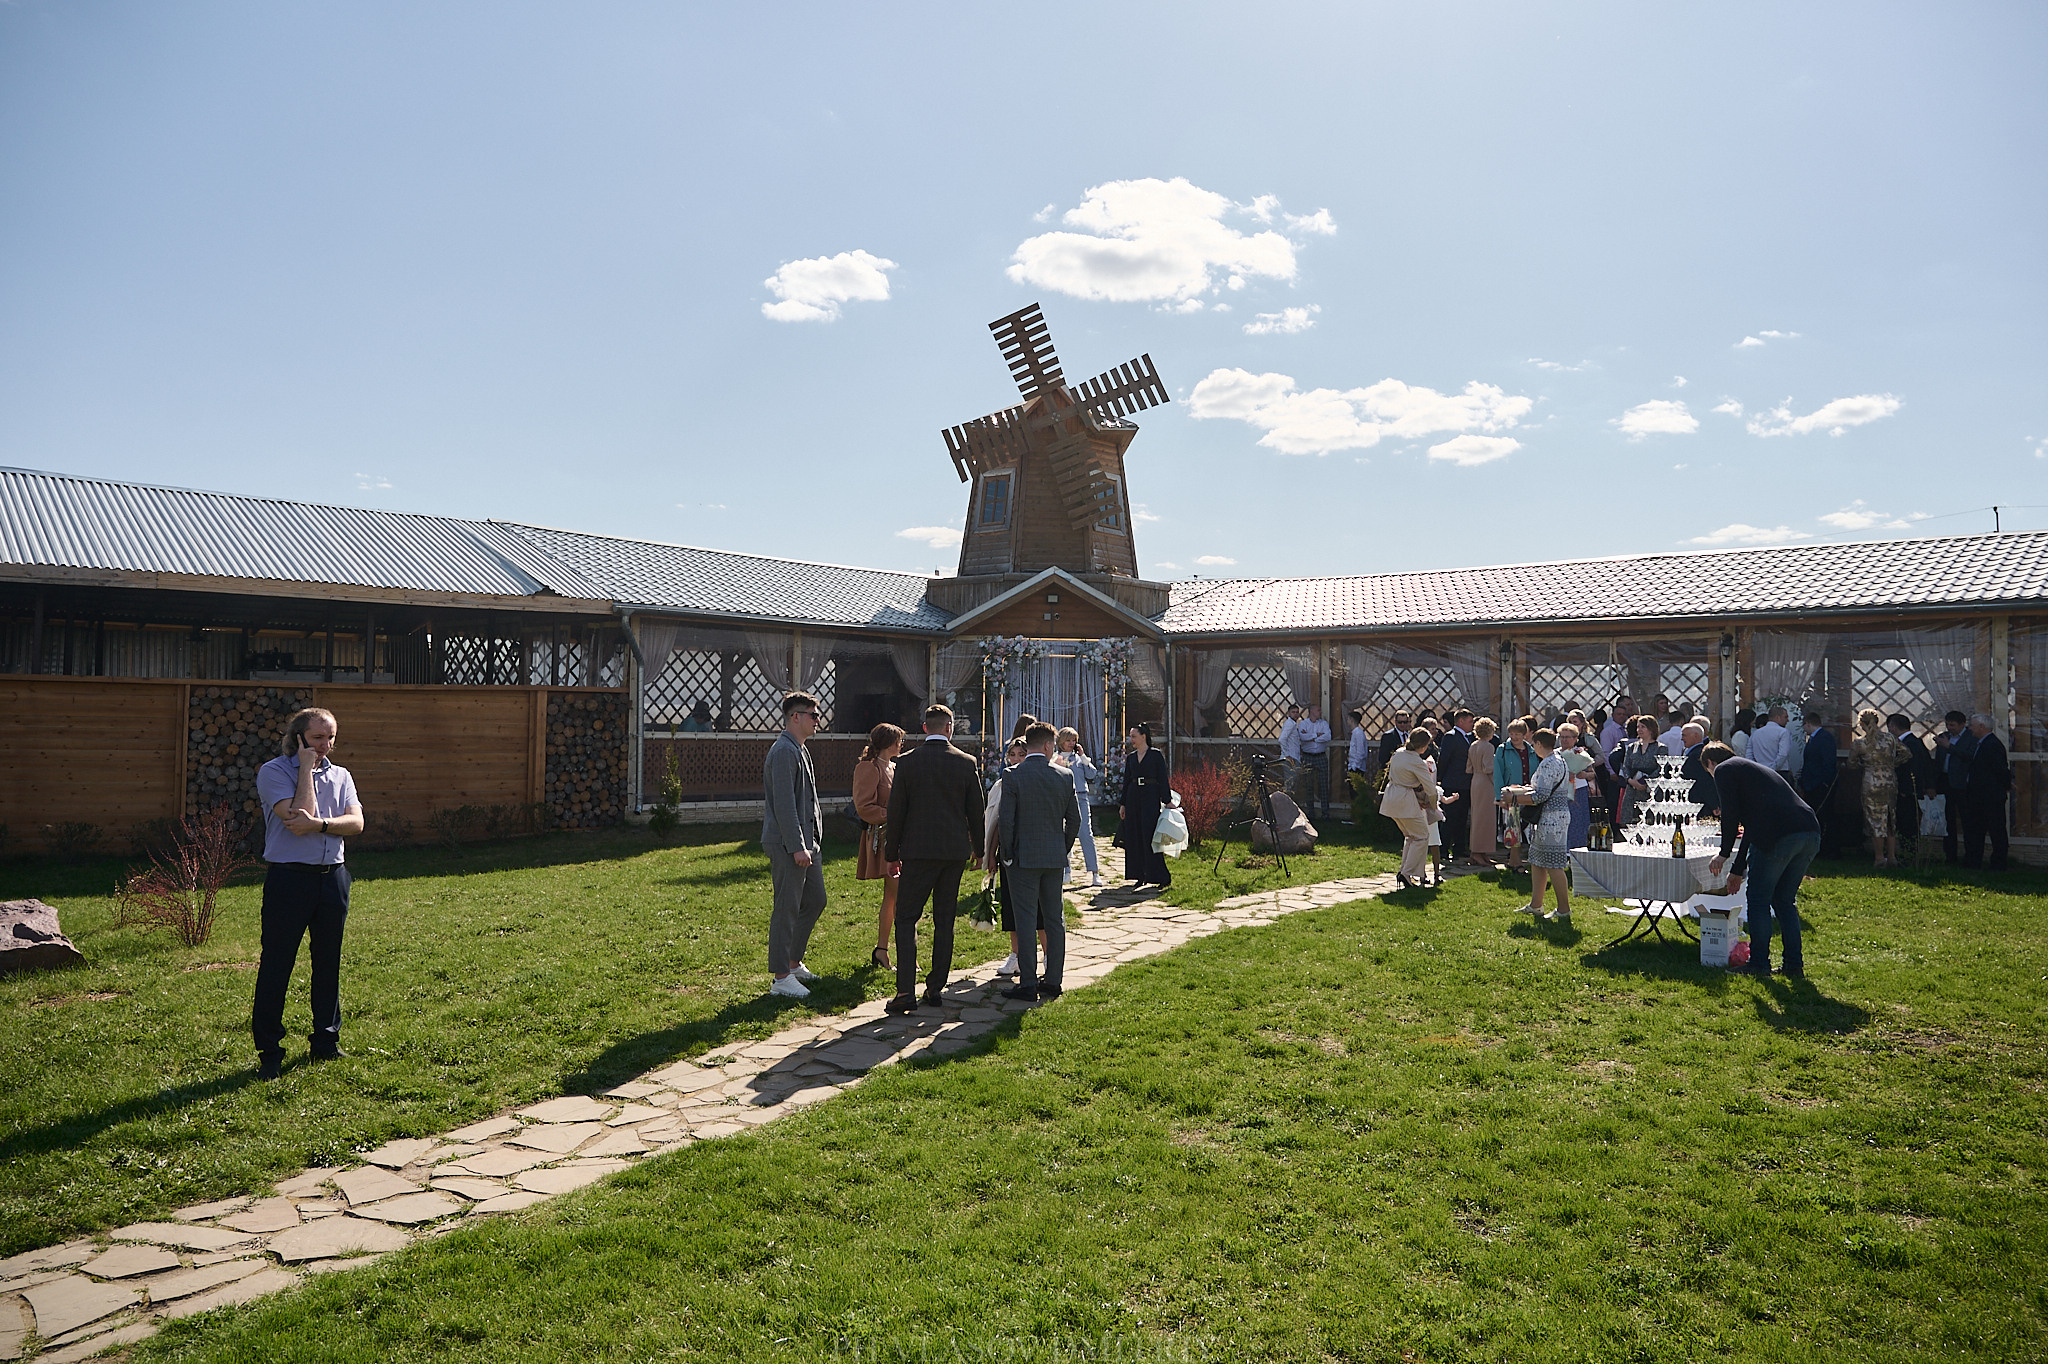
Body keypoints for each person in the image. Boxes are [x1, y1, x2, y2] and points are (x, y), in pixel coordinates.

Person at [251, 706, 365, 1080]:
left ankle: (326, 1041)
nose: (325, 745)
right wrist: (305, 768)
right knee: (277, 963)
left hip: (333, 878)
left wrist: (322, 825)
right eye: (317, 738)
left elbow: (356, 823)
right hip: (289, 879)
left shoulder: (342, 775)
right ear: (297, 738)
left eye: (331, 737)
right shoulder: (273, 772)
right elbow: (298, 816)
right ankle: (270, 1052)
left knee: (328, 960)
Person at [882, 704, 986, 1014]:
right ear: (949, 728)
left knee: (906, 918)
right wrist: (980, 850)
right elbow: (976, 812)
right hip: (953, 852)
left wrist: (891, 854)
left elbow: (896, 813)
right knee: (945, 919)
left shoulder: (907, 762)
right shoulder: (966, 762)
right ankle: (936, 986)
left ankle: (905, 990)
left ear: (925, 728)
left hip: (917, 851)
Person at [1704, 741, 1821, 979]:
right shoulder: (1752, 771)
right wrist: (1737, 868)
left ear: (1710, 764)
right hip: (1809, 831)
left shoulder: (1724, 770)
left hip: (1778, 835)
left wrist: (1724, 854)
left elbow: (1730, 815)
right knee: (1784, 901)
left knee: (1758, 900)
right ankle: (1793, 965)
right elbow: (1750, 828)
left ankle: (1758, 963)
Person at [997, 722, 1081, 1001]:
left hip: (1022, 857)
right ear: (1047, 745)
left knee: (1025, 919)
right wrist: (1062, 848)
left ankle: (1028, 983)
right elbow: (1075, 820)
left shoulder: (1013, 775)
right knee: (1055, 919)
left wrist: (1007, 853)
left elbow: (1006, 820)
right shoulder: (1065, 775)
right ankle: (1054, 980)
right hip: (1053, 857)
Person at [762, 692, 828, 1000]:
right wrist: (797, 846)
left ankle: (793, 962)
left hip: (807, 844)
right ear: (795, 717)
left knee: (815, 900)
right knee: (786, 908)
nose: (818, 720)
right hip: (789, 844)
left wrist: (811, 842)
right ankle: (780, 977)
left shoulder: (800, 749)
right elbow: (785, 805)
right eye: (813, 715)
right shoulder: (784, 751)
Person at [1500, 728, 1574, 923]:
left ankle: (1564, 909)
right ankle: (1536, 905)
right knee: (1538, 861)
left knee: (1554, 864)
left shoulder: (1550, 763)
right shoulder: (1557, 760)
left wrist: (1513, 798)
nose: (1533, 748)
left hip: (1552, 819)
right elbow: (1539, 789)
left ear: (1540, 744)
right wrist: (1520, 790)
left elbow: (1540, 795)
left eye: (1534, 744)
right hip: (1548, 818)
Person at [852, 722, 905, 968]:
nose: (901, 744)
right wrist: (893, 816)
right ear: (889, 742)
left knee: (895, 896)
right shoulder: (869, 767)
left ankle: (886, 951)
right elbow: (864, 807)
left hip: (900, 838)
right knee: (900, 897)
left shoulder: (894, 767)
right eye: (898, 740)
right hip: (882, 839)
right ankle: (899, 952)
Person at [985, 738, 1039, 977]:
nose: (1016, 759)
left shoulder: (1036, 780)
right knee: (1011, 907)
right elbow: (995, 822)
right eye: (1012, 755)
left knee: (1040, 908)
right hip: (1009, 853)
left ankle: (1047, 955)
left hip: (1034, 852)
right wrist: (990, 854)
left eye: (1021, 754)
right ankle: (1015, 955)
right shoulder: (1002, 783)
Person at [1379, 728, 1439, 888]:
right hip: (1405, 800)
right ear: (1424, 746)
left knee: (1411, 836)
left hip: (1392, 796)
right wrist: (1433, 805)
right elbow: (1430, 788)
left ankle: (1404, 871)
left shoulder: (1398, 753)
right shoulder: (1416, 761)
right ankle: (1406, 873)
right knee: (1421, 836)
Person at [1117, 722, 1173, 889]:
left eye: (1134, 736)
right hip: (1133, 797)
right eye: (1130, 736)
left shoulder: (1156, 755)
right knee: (1134, 835)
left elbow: (1162, 779)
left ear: (1143, 736)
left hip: (1150, 796)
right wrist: (1123, 804)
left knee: (1149, 835)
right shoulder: (1131, 757)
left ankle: (1160, 876)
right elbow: (1126, 781)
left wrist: (1167, 800)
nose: (1131, 739)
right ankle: (1139, 874)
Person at [1848, 708, 1904, 868]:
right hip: (1890, 781)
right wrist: (1891, 764)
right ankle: (1892, 857)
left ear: (1861, 724)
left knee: (1875, 820)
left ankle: (1879, 857)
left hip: (1871, 782)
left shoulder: (1860, 743)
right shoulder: (1890, 738)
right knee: (1890, 818)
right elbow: (1906, 753)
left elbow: (1851, 763)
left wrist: (1865, 765)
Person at [1961, 713, 2011, 871]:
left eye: (1972, 725)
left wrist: (2006, 784)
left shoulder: (1992, 745)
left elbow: (2000, 769)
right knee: (1976, 830)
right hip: (1979, 796)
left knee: (1996, 831)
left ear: (1981, 727)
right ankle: (1973, 861)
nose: (1970, 728)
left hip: (1990, 797)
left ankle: (1998, 863)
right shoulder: (1982, 744)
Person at [1053, 727, 1102, 887]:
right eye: (1068, 740)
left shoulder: (1079, 758)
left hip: (1080, 797)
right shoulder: (1055, 758)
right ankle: (1066, 870)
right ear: (1061, 741)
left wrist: (1083, 756)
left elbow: (1092, 774)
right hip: (1061, 798)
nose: (1071, 743)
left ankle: (1094, 872)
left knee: (1085, 833)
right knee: (1062, 833)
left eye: (1074, 740)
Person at [1493, 718, 1539, 876]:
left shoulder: (1531, 750)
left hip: (1529, 794)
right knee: (1513, 829)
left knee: (1528, 829)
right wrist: (1500, 797)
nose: (1514, 737)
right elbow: (1498, 774)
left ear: (1524, 734)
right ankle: (1516, 862)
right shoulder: (1502, 750)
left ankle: (1517, 862)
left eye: (1517, 734)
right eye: (1512, 734)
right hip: (1510, 795)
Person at [1933, 710, 1974, 864]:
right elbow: (1938, 760)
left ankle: (1970, 856)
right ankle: (1950, 855)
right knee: (1947, 820)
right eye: (1948, 724)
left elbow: (1970, 756)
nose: (1950, 728)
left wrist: (1950, 747)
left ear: (1962, 724)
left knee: (1966, 820)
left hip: (1963, 784)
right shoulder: (1945, 736)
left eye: (1953, 725)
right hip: (1945, 781)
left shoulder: (1971, 737)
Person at [1888, 713, 1934, 846]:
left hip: (1907, 792)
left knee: (1907, 825)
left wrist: (1905, 790)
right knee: (1906, 824)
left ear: (1893, 727)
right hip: (1909, 790)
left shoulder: (1909, 744)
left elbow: (1914, 768)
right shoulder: (1915, 741)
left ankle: (1909, 852)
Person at [1437, 709, 1474, 863]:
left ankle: (1459, 848)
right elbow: (1444, 759)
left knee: (1462, 818)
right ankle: (1443, 849)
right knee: (1450, 818)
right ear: (1460, 721)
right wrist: (1440, 779)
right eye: (1470, 721)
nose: (1472, 725)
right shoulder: (1451, 737)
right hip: (1452, 783)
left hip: (1465, 784)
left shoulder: (1469, 738)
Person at [1800, 710, 1839, 852]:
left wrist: (1825, 783)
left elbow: (1828, 762)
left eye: (1804, 726)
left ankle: (1829, 848)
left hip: (1819, 783)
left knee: (1824, 815)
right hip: (1811, 783)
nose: (1804, 729)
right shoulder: (1814, 739)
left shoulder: (1824, 738)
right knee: (1816, 815)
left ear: (1808, 724)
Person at [1617, 715, 1663, 824]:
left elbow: (1661, 768)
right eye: (1638, 727)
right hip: (1632, 788)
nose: (1639, 730)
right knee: (1630, 821)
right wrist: (1630, 780)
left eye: (1643, 727)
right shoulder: (1632, 747)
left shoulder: (1660, 748)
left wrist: (1646, 782)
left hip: (1650, 789)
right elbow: (1626, 766)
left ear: (1651, 729)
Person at [1555, 721, 1593, 851]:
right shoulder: (1555, 754)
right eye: (1562, 737)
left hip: (1579, 791)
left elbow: (1592, 774)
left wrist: (1584, 774)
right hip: (1560, 792)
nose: (1564, 740)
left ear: (1575, 738)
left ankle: (1578, 850)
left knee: (1578, 822)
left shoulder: (1581, 754)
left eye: (1567, 737)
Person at [1466, 717, 1498, 867]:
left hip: (1475, 781)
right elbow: (1488, 768)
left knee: (1478, 817)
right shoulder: (1489, 747)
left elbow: (1469, 768)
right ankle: (1478, 852)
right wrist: (1496, 784)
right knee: (1485, 818)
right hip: (1485, 783)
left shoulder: (1473, 745)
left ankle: (1480, 851)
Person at [1297, 704, 1333, 822]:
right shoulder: (1303, 724)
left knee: (1323, 785)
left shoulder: (1323, 724)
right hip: (1307, 756)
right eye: (1318, 710)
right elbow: (1302, 737)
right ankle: (1310, 812)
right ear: (1311, 711)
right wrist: (1316, 735)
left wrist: (1312, 738)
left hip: (1320, 756)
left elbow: (1328, 737)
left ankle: (1325, 813)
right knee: (1308, 785)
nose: (1320, 712)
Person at [1678, 721, 1717, 814]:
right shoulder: (1690, 752)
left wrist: (1714, 804)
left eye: (1684, 735)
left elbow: (1705, 781)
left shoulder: (1698, 755)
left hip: (1699, 804)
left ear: (1696, 736)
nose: (1682, 738)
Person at [1747, 705, 1793, 776]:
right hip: (1779, 772)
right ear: (1778, 717)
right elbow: (1783, 754)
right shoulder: (1783, 732)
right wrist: (1772, 768)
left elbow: (1749, 753)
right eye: (1785, 717)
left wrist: (1755, 767)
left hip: (1760, 771)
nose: (1787, 720)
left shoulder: (1755, 733)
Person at [1376, 708, 1413, 773]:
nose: (1402, 724)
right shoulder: (1388, 736)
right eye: (1400, 722)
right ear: (1395, 722)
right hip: (1393, 770)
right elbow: (1383, 757)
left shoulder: (1409, 735)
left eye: (1405, 722)